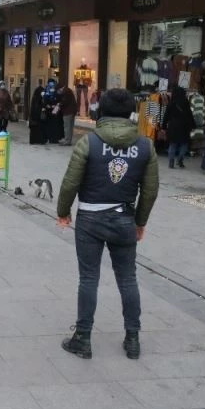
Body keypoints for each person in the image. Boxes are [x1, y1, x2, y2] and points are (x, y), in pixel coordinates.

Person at [56, 88, 159, 360]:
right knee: (128, 279)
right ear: (130, 114)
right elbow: (150, 190)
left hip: (90, 219)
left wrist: (63, 212)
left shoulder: (88, 143)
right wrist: (140, 222)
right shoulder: (146, 145)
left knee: (89, 278)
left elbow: (70, 183)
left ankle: (83, 338)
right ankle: (133, 338)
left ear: (101, 111)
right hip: (124, 218)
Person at [162, 86, 195, 169]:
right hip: (184, 126)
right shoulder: (186, 102)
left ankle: (171, 162)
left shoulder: (171, 102)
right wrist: (193, 125)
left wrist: (163, 126)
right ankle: (180, 160)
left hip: (173, 126)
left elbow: (166, 115)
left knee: (172, 144)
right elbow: (189, 115)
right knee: (184, 144)